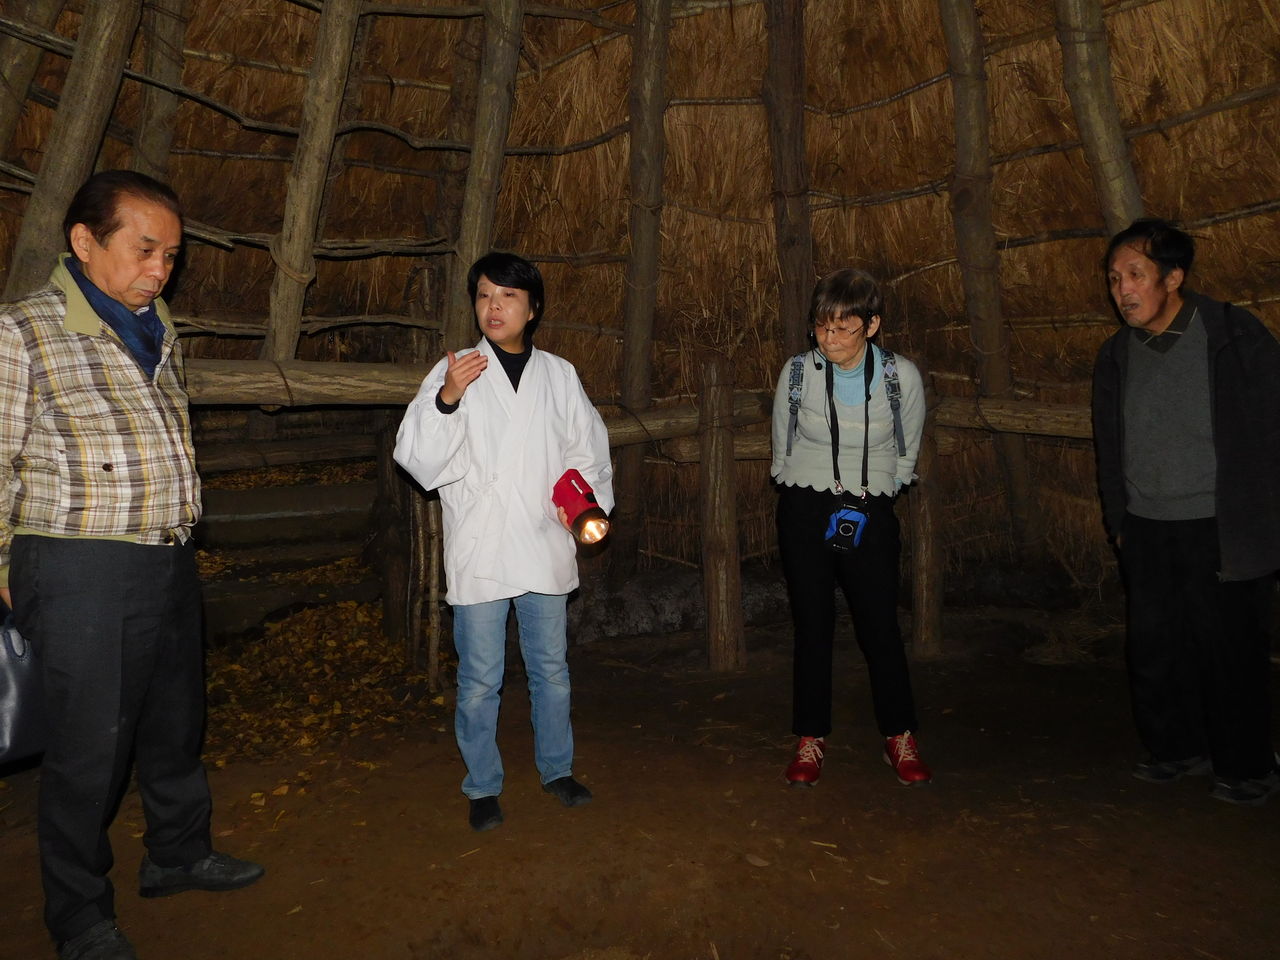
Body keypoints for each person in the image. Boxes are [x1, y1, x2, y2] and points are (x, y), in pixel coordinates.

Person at [0, 171, 263, 960]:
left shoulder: (156, 330)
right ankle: (79, 915)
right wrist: (5, 566)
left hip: (167, 555)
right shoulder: (23, 331)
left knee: (173, 722)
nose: (159, 270)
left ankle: (177, 853)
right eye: (144, 250)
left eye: (171, 256)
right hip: (78, 568)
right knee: (91, 747)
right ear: (84, 241)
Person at [395, 251, 613, 832]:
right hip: (483, 546)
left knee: (551, 671)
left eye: (508, 296)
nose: (494, 307)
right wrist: (446, 399)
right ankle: (483, 784)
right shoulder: (456, 370)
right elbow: (417, 459)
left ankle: (557, 770)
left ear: (532, 308)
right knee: (479, 681)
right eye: (485, 295)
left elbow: (588, 451)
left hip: (542, 540)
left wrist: (581, 505)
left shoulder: (559, 375)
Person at [1092, 217, 1280, 806]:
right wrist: (1120, 522)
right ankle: (1175, 748)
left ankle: (1247, 767)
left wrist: (1260, 522)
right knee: (1156, 647)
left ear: (1173, 278)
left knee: (1230, 650)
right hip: (1147, 526)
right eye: (1115, 278)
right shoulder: (1117, 355)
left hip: (1222, 525)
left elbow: (1273, 427)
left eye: (1135, 274)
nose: (1123, 290)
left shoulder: (1231, 335)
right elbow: (1109, 446)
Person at [770, 268, 930, 788]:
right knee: (812, 624)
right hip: (805, 504)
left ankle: (899, 735)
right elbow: (782, 442)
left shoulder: (900, 376)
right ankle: (810, 737)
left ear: (872, 324)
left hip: (870, 505)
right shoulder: (797, 372)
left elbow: (907, 449)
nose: (829, 337)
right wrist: (804, 486)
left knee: (879, 626)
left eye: (843, 327)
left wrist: (875, 491)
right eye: (822, 326)